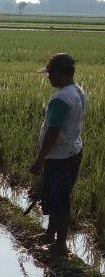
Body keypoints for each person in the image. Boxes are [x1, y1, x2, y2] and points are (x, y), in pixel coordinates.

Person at [30, 52, 86, 255]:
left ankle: (60, 245)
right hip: (73, 151)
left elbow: (53, 132)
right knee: (57, 197)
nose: (48, 77)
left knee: (59, 200)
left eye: (50, 73)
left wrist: (39, 160)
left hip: (59, 156)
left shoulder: (61, 98)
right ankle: (49, 235)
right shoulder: (78, 91)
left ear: (62, 73)